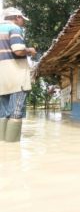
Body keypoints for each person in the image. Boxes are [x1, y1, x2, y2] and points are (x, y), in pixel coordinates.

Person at [0, 7, 36, 142]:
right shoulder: (14, 29)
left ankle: (3, 149)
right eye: (22, 19)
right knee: (16, 112)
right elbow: (18, 50)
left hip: (1, 79)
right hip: (16, 76)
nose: (23, 22)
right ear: (17, 18)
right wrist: (31, 50)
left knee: (3, 114)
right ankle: (12, 149)